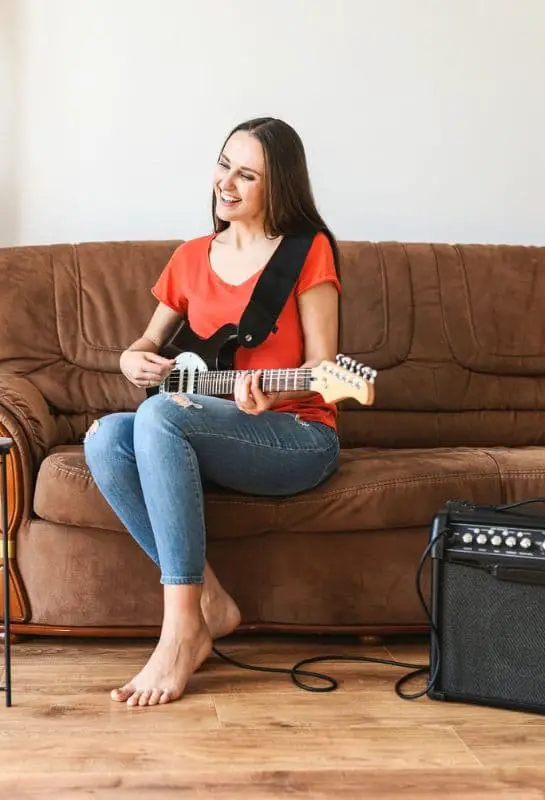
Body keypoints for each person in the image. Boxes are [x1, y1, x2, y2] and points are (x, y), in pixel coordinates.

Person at [82, 117, 343, 707]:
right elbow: (146, 345)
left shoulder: (307, 253)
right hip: (206, 428)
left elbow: (327, 374)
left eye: (246, 174)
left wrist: (273, 395)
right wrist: (132, 360)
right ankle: (210, 602)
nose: (226, 183)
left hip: (295, 435)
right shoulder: (191, 256)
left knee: (159, 418)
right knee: (103, 438)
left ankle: (178, 634)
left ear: (279, 188)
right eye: (223, 164)